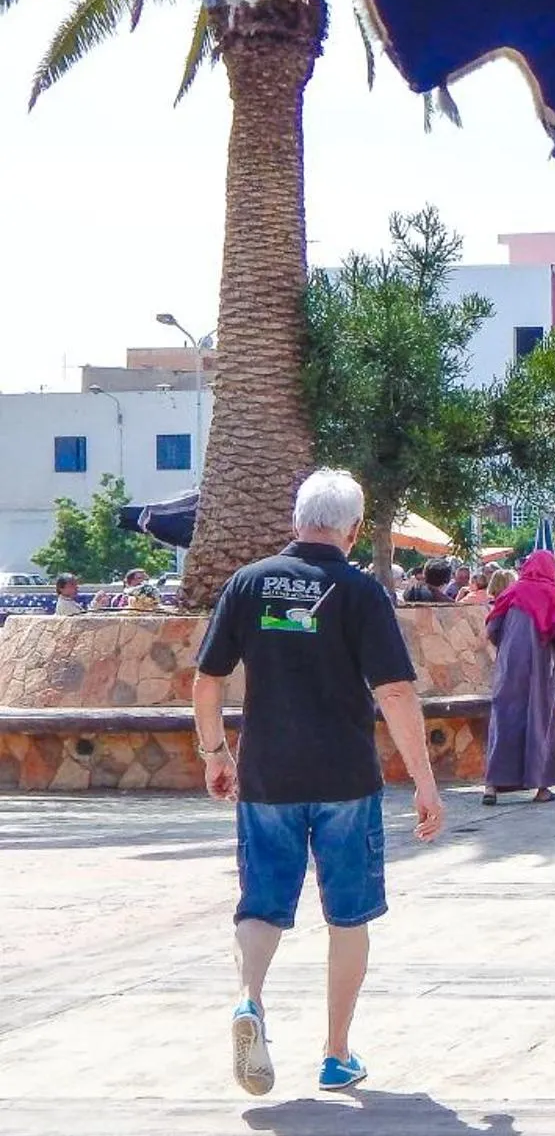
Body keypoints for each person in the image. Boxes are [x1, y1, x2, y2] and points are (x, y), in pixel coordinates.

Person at [191, 467, 447, 1095]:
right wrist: (424, 781)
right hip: (345, 776)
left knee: (262, 904)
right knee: (348, 915)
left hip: (266, 773)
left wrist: (215, 752)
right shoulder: (359, 593)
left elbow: (207, 680)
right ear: (354, 529)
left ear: (296, 519)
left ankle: (249, 1000)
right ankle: (336, 1053)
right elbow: (393, 691)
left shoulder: (248, 584)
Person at [482, 551, 555, 804]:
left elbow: (492, 629)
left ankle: (491, 786)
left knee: (504, 719)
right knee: (540, 720)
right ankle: (541, 787)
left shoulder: (511, 592)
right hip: (541, 669)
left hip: (509, 666)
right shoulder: (553, 595)